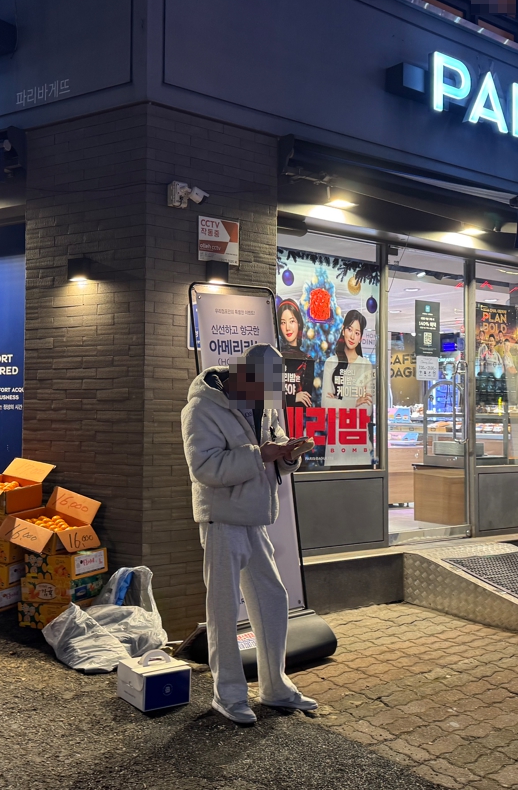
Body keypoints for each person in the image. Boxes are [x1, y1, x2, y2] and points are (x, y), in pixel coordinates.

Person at [181, 343, 317, 725]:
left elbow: (274, 452)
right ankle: (228, 695)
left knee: (272, 598)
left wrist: (289, 455)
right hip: (222, 519)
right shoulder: (201, 407)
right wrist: (260, 455)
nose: (267, 397)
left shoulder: (266, 402)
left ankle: (275, 685)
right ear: (242, 375)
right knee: (224, 609)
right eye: (261, 387)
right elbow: (204, 468)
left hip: (256, 517)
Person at [321, 310, 374, 466]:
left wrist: (338, 403)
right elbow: (326, 406)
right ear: (343, 330)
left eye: (357, 333)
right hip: (336, 447)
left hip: (360, 446)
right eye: (350, 330)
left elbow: (366, 410)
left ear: (361, 337)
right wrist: (355, 401)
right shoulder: (331, 363)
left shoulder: (365, 365)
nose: (352, 336)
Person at [276, 299, 313, 408]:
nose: (287, 328)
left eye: (292, 321)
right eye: (283, 322)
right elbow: (268, 397)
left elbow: (306, 399)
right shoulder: (275, 356)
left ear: (299, 323)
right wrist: (293, 398)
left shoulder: (307, 359)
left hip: (298, 416)